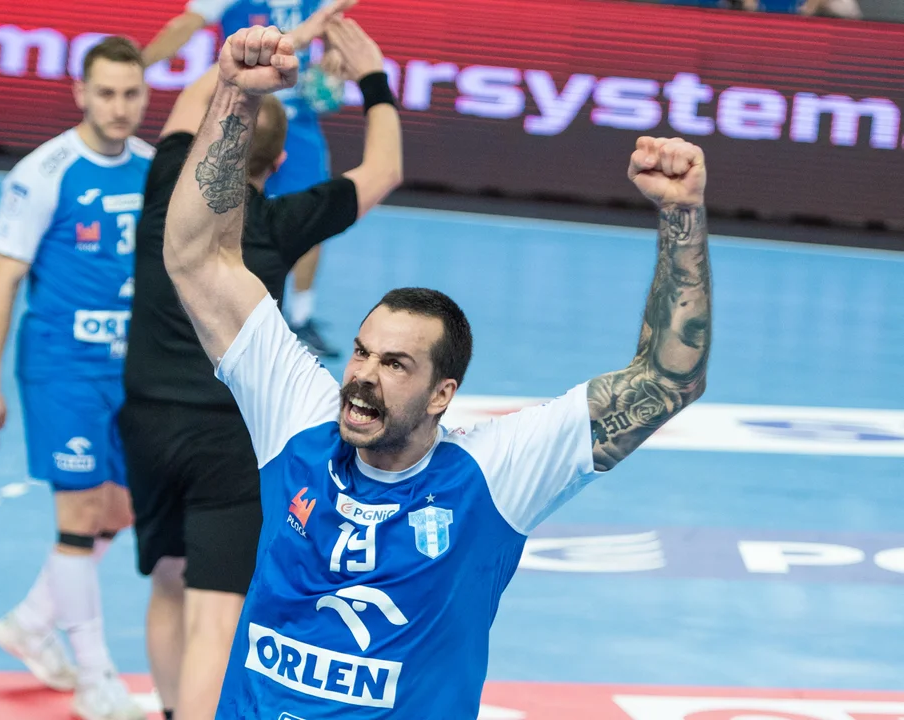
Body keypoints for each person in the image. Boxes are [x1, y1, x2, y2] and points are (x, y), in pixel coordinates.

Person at [162, 26, 713, 719]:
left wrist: (681, 217)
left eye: (395, 364)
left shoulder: (494, 476)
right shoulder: (300, 422)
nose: (363, 376)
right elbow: (197, 260)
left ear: (441, 394)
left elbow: (666, 380)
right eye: (361, 352)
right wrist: (235, 95)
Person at [119, 10, 400, 720]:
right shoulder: (280, 222)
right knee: (216, 614)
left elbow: (197, 100)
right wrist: (371, 77)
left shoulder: (163, 189)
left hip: (147, 423)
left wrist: (253, 64)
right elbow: (385, 170)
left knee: (167, 581)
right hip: (229, 440)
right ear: (276, 166)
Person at [0, 35, 152, 720]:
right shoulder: (44, 172)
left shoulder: (153, 168)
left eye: (130, 93)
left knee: (122, 509)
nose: (119, 107)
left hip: (131, 371)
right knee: (77, 517)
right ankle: (96, 677)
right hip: (62, 368)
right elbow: (3, 281)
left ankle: (31, 621)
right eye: (105, 93)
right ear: (80, 93)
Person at [143, 0, 350, 358]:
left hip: (299, 124)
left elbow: (335, 20)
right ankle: (221, 309)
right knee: (225, 212)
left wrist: (333, 54)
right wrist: (140, 67)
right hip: (244, 113)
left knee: (313, 217)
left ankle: (300, 318)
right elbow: (184, 26)